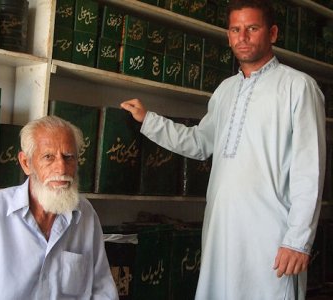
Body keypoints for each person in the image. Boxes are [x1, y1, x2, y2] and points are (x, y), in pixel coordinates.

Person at [121, 0, 326, 299]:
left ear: (272, 33)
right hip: (221, 232)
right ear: (228, 35)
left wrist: (297, 241)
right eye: (235, 29)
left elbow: (311, 169)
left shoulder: (299, 87)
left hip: (271, 236)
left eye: (252, 28)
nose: (242, 37)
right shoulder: (225, 90)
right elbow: (200, 142)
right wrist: (149, 121)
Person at [0, 116, 118, 300]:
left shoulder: (86, 214)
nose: (61, 169)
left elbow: (102, 290)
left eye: (68, 157)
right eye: (49, 157)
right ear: (26, 163)